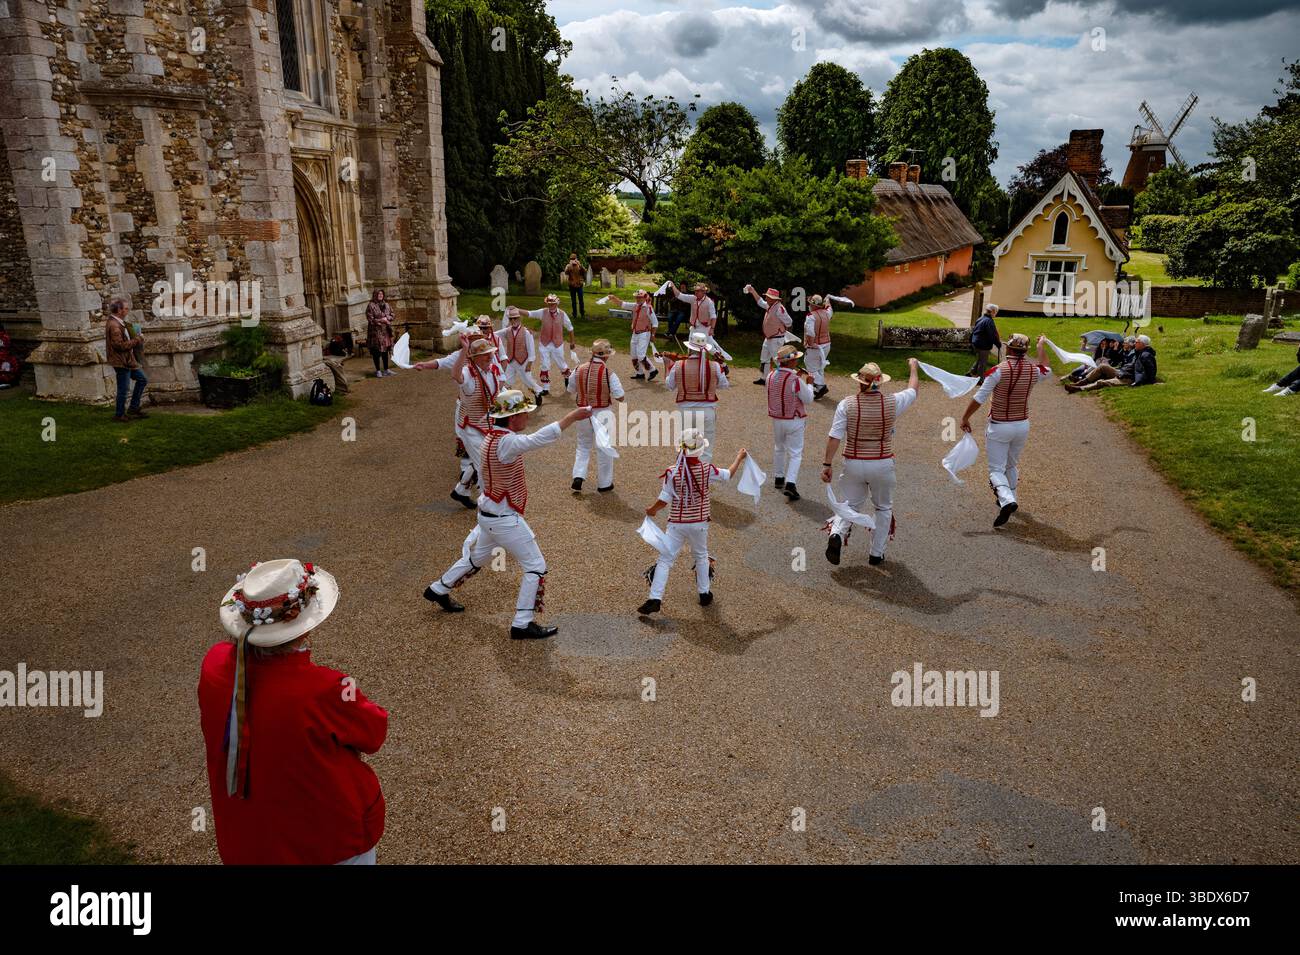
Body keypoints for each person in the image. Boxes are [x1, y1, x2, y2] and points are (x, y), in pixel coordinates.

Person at [199, 559, 388, 864]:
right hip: (327, 840)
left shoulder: (213, 664)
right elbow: (374, 732)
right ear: (303, 628)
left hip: (248, 839)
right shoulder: (323, 688)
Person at [423, 391, 593, 640]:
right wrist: (572, 417)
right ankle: (522, 623)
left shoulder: (491, 438)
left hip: (489, 514)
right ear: (513, 417)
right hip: (503, 519)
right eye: (524, 412)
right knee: (536, 566)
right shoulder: (508, 442)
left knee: (476, 559)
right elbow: (538, 439)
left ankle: (438, 588)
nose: (527, 416)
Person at [821, 359, 919, 567]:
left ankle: (837, 534)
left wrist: (827, 464)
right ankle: (876, 553)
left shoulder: (846, 404)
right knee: (883, 508)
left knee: (850, 504)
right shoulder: (893, 402)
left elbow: (834, 437)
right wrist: (913, 368)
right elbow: (913, 389)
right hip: (882, 463)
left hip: (854, 462)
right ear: (880, 382)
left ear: (860, 383)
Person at [638, 430, 747, 616]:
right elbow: (728, 474)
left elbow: (664, 500)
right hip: (699, 523)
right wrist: (739, 457)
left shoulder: (672, 472)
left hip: (676, 524)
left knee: (665, 559)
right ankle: (704, 593)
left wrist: (652, 510)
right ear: (699, 450)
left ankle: (655, 598)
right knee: (701, 555)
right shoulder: (707, 469)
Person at [960, 333, 1050, 527]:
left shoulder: (997, 371)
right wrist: (1041, 345)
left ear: (1008, 349)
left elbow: (979, 397)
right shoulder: (1034, 371)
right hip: (1022, 425)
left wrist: (965, 417)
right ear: (1025, 351)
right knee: (1011, 464)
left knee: (995, 469)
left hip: (1000, 425)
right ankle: (1010, 497)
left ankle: (1007, 500)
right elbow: (1047, 367)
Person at [413, 337, 504, 508]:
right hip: (470, 427)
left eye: (490, 353)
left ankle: (461, 490)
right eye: (485, 354)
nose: (489, 357)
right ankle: (491, 507)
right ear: (474, 357)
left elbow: (496, 393)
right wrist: (463, 350)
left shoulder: (492, 370)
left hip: (486, 424)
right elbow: (455, 374)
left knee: (484, 459)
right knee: (486, 465)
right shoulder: (468, 372)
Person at [567, 339, 625, 492]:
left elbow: (570, 389)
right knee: (604, 447)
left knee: (583, 445)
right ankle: (604, 483)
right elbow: (620, 396)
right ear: (605, 356)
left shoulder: (578, 368)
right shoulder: (608, 372)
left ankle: (578, 476)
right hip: (602, 412)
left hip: (582, 411)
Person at [663, 330, 729, 463]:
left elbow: (670, 386)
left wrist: (667, 366)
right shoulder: (714, 366)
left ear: (689, 348)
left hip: (685, 410)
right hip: (707, 411)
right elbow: (724, 385)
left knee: (686, 447)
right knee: (706, 449)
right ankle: (702, 479)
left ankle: (685, 477)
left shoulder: (678, 365)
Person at [766, 343, 814, 501]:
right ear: (791, 362)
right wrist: (809, 384)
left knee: (779, 447)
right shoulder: (795, 379)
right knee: (795, 453)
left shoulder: (771, 375)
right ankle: (791, 483)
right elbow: (808, 399)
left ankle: (779, 477)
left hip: (777, 418)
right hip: (794, 419)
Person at [105, 297, 148, 422]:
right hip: (121, 362)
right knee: (123, 389)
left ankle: (133, 408)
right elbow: (119, 346)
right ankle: (119, 415)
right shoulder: (114, 325)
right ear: (119, 310)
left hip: (128, 360)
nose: (127, 311)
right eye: (126, 309)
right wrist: (138, 339)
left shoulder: (118, 322)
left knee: (142, 379)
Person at [527, 294, 577, 396]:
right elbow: (530, 313)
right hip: (544, 343)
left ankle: (567, 377)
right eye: (549, 303)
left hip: (557, 343)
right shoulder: (543, 312)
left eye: (553, 303)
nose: (551, 305)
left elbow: (570, 328)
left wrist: (572, 342)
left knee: (561, 363)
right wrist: (516, 310)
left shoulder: (562, 314)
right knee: (544, 364)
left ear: (557, 303)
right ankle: (545, 387)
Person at [744, 284, 793, 383]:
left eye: (767, 296)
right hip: (770, 337)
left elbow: (789, 322)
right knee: (764, 357)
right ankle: (764, 378)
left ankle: (785, 379)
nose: (766, 298)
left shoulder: (779, 308)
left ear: (772, 298)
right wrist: (753, 291)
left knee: (778, 359)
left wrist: (780, 328)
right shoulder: (770, 305)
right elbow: (760, 302)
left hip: (776, 338)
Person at [607, 289, 659, 380]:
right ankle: (640, 373)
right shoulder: (635, 306)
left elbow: (655, 322)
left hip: (644, 333)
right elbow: (622, 304)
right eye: (636, 297)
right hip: (635, 333)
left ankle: (652, 370)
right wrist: (613, 298)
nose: (638, 299)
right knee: (634, 355)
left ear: (644, 297)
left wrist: (653, 335)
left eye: (640, 297)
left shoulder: (648, 308)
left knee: (641, 355)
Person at [1065, 335, 1143, 392]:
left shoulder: (1135, 354)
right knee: (1102, 366)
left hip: (1125, 375)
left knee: (1101, 381)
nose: (1123, 344)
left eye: (1125, 343)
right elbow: (1115, 358)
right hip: (1120, 371)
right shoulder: (1125, 351)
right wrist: (1115, 349)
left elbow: (1133, 367)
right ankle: (1080, 383)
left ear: (1130, 344)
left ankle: (1079, 388)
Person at [497, 306, 543, 400]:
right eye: (511, 319)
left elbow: (531, 349)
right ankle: (507, 399)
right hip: (510, 361)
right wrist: (485, 333)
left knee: (527, 380)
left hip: (523, 361)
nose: (513, 320)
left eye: (515, 318)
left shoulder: (526, 332)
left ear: (520, 318)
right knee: (506, 380)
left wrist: (529, 363)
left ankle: (537, 392)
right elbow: (495, 334)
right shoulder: (507, 330)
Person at [803, 294, 834, 398]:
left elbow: (810, 333)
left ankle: (821, 386)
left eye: (810, 303)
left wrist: (810, 344)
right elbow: (829, 307)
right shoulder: (827, 313)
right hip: (827, 344)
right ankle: (818, 387)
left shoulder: (810, 316)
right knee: (820, 367)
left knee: (810, 366)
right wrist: (828, 300)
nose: (809, 305)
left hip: (816, 346)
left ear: (813, 305)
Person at [366, 289, 396, 378]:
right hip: (376, 332)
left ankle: (386, 369)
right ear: (375, 295)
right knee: (377, 351)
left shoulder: (386, 304)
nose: (380, 295)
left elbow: (393, 314)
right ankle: (378, 370)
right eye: (378, 294)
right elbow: (370, 318)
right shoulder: (371, 305)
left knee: (385, 350)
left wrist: (388, 318)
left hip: (386, 331)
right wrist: (380, 320)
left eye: (381, 294)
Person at [967, 303, 1001, 380]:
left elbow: (974, 331)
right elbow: (992, 335)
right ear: (992, 311)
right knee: (983, 362)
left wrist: (971, 341)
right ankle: (980, 379)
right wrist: (998, 344)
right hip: (983, 345)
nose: (996, 314)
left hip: (975, 343)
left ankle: (971, 373)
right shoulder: (989, 321)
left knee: (980, 359)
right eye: (996, 312)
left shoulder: (980, 318)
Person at [564, 253, 587, 319]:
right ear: (570, 259)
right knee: (573, 301)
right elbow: (566, 272)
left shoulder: (579, 265)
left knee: (581, 300)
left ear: (576, 259)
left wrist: (580, 265)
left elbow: (585, 271)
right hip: (572, 285)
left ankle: (582, 313)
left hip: (579, 285)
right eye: (571, 259)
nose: (573, 260)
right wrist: (570, 265)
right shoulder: (568, 265)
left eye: (574, 259)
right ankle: (574, 314)